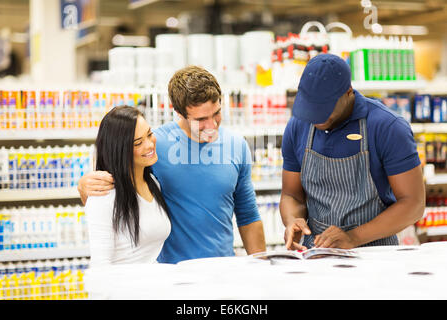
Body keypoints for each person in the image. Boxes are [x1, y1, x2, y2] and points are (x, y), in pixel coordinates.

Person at [79, 66, 266, 264]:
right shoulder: (152, 146)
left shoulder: (237, 146)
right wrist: (84, 186)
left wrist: (261, 267)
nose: (212, 126)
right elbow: (115, 193)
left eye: (217, 113)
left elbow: (248, 214)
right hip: (172, 276)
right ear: (178, 112)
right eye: (201, 119)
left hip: (222, 269)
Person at [280, 53, 425, 250]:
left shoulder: (388, 127)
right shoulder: (298, 126)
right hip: (315, 253)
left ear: (348, 92)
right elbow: (292, 195)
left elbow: (413, 204)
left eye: (324, 108)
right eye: (310, 107)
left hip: (376, 255)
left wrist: (353, 237)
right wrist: (293, 220)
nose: (315, 116)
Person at [85, 106, 171, 267]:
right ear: (120, 150)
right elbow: (101, 266)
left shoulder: (153, 183)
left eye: (150, 134)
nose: (149, 144)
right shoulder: (104, 196)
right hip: (125, 289)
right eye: (138, 143)